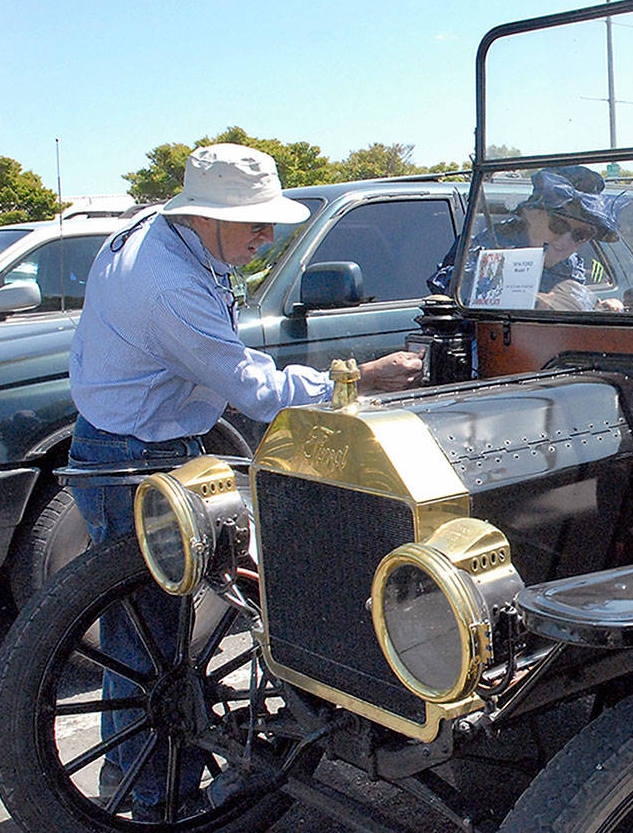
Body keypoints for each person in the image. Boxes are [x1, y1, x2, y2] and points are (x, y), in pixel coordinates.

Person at [68, 143, 422, 819]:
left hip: (127, 437)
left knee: (137, 633)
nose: (266, 237)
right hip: (135, 454)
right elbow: (254, 391)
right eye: (256, 224)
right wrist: (362, 377)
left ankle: (127, 774)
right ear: (206, 216)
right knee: (152, 641)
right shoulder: (167, 286)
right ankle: (161, 800)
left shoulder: (157, 235)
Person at [431, 166, 627, 311]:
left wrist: (600, 307)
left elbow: (572, 304)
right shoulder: (487, 246)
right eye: (559, 225)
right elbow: (449, 299)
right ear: (531, 214)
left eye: (580, 235)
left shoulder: (570, 265)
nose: (567, 241)